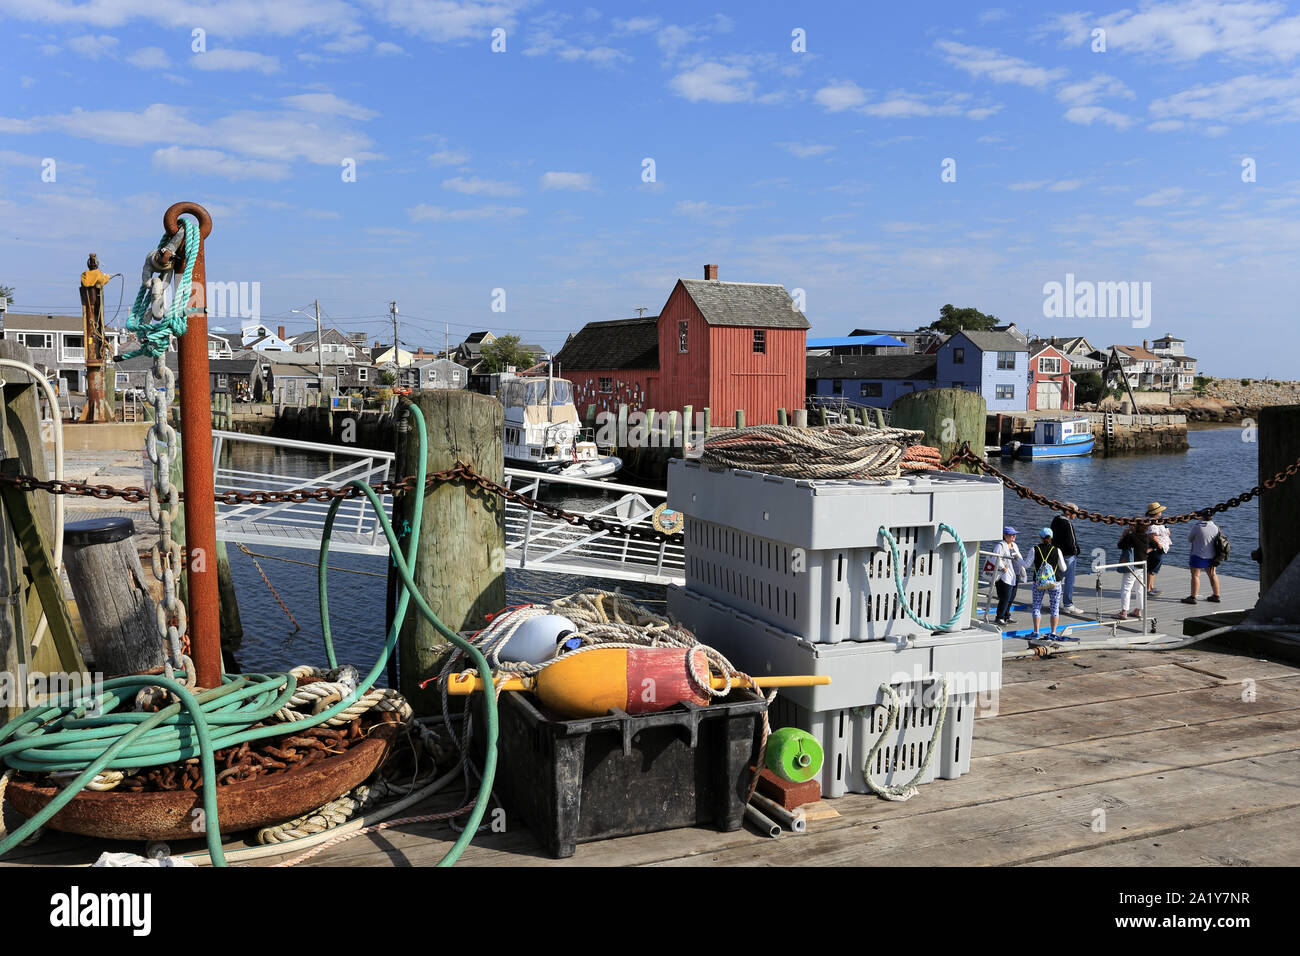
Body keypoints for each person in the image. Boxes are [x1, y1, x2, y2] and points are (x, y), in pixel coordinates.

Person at [1031, 527, 1067, 638]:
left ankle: (1036, 632)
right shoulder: (1057, 550)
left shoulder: (1034, 549)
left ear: (1040, 538)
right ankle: (1053, 633)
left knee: (1037, 606)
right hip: (1055, 582)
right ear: (1051, 538)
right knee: (1054, 607)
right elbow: (1064, 568)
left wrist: (1017, 558)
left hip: (1039, 582)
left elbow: (1026, 564)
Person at [1050, 504, 1083, 615]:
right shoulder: (1067, 523)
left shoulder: (1055, 520)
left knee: (1056, 579)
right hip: (1067, 556)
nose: (1076, 515)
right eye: (1075, 513)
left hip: (1056, 554)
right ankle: (1068, 604)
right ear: (1070, 512)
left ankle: (1054, 603)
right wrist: (1076, 551)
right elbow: (1071, 542)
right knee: (1069, 580)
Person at [1182, 517, 1223, 604]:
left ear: (1202, 516)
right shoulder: (1216, 526)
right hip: (1212, 555)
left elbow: (1189, 539)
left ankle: (1193, 597)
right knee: (1213, 575)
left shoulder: (1198, 527)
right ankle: (1216, 595)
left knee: (1195, 576)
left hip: (1198, 554)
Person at [1116, 521, 1150, 619]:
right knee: (1140, 589)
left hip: (1133, 566)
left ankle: (1124, 612)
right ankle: (1138, 610)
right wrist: (1146, 551)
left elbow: (1120, 545)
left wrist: (1124, 535)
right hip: (1143, 565)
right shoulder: (1146, 537)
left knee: (1126, 588)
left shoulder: (1131, 537)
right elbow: (1156, 546)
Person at [991, 526, 1023, 626]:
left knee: (1012, 597)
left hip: (1015, 574)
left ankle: (1006, 616)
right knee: (1005, 597)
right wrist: (1002, 567)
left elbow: (1019, 557)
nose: (1014, 536)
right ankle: (999, 617)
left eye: (1014, 534)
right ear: (1005, 535)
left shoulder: (1014, 545)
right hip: (1004, 576)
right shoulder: (1000, 545)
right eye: (1011, 534)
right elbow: (994, 558)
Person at [1144, 502, 1170, 595]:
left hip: (1160, 548)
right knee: (1152, 568)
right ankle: (1148, 589)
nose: (1161, 512)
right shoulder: (1152, 523)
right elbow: (1152, 536)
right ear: (1156, 512)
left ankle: (1151, 587)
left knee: (1154, 569)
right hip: (1156, 549)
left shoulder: (1157, 521)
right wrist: (1159, 545)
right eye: (1160, 511)